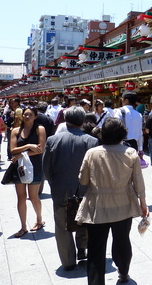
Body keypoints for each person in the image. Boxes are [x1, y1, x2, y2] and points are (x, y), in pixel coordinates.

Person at [76, 117, 149, 285]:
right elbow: (138, 181)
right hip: (123, 202)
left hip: (97, 204)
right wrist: (143, 202)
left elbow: (83, 180)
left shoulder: (92, 153)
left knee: (96, 248)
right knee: (122, 240)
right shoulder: (130, 153)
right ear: (122, 134)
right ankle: (123, 272)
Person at [42, 106, 99, 271]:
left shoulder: (53, 140)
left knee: (62, 226)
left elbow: (47, 167)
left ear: (65, 121)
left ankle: (68, 261)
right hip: (85, 189)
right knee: (85, 221)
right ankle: (83, 250)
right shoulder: (91, 141)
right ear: (83, 121)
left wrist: (54, 184)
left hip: (61, 189)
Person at [9, 106, 47, 237]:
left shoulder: (39, 129)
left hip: (35, 166)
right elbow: (13, 150)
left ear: (35, 116)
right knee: (21, 197)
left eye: (30, 115)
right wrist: (28, 147)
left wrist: (21, 154)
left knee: (33, 196)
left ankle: (39, 219)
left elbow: (40, 149)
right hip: (19, 168)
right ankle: (23, 226)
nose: (27, 117)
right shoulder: (15, 131)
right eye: (25, 114)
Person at [118, 91, 144, 160]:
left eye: (122, 99)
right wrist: (140, 149)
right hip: (134, 145)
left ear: (126, 100)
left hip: (121, 144)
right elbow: (140, 133)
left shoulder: (119, 112)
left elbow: (115, 129)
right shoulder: (139, 115)